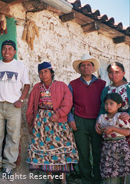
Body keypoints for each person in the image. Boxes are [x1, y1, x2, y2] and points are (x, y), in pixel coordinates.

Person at [26, 62, 78, 184]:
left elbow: (68, 102)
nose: (43, 75)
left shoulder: (61, 86)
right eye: (41, 72)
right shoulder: (37, 87)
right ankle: (50, 179)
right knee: (45, 149)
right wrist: (30, 123)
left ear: (52, 72)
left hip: (59, 121)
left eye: (46, 72)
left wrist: (58, 114)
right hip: (42, 122)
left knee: (61, 148)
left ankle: (63, 179)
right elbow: (30, 106)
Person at [0, 40, 30, 176]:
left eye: (10, 49)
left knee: (13, 136)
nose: (7, 51)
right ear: (1, 51)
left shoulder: (20, 66)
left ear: (14, 51)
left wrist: (21, 100)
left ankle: (9, 165)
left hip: (13, 105)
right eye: (4, 49)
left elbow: (26, 85)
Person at [68, 54, 106, 184]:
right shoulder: (73, 84)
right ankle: (86, 178)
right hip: (80, 121)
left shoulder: (102, 84)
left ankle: (97, 177)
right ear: (80, 69)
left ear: (93, 67)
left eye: (88, 65)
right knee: (83, 152)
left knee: (97, 150)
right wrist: (71, 119)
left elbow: (105, 103)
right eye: (83, 65)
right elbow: (69, 104)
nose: (86, 67)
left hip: (97, 121)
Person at [96, 93, 130, 183]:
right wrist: (102, 130)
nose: (108, 106)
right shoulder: (102, 118)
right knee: (109, 170)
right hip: (107, 148)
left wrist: (113, 128)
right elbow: (99, 131)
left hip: (121, 146)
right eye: (106, 104)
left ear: (119, 105)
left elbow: (127, 132)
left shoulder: (121, 116)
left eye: (111, 103)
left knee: (123, 169)